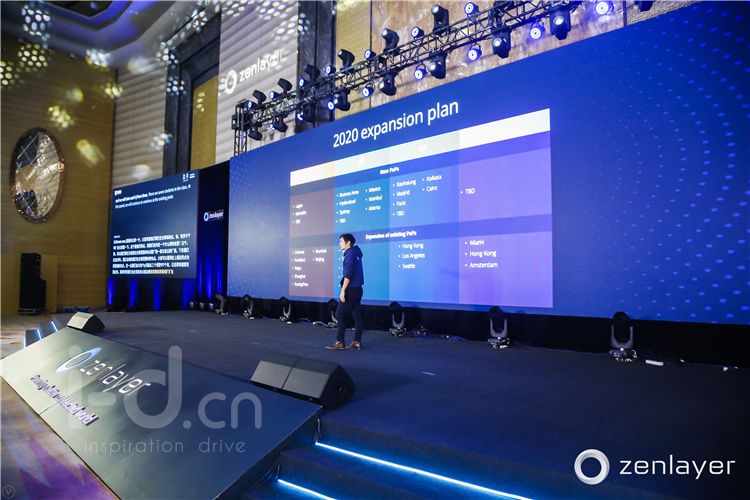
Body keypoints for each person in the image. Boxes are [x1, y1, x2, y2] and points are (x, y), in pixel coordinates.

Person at [326, 233, 364, 350]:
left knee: (340, 314)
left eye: (341, 241)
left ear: (348, 243)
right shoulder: (356, 252)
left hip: (351, 290)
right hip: (358, 289)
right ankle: (357, 342)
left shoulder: (350, 254)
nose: (339, 243)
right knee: (357, 316)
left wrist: (343, 290)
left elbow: (348, 275)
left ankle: (340, 342)